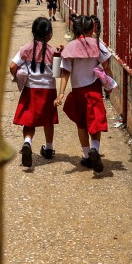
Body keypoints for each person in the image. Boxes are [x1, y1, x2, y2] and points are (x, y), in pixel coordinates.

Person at [56, 15, 112, 172]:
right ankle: (95, 148)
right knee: (95, 124)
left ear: (74, 28)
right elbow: (106, 67)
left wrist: (60, 93)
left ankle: (87, 156)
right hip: (93, 89)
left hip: (78, 92)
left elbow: (65, 72)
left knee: (81, 124)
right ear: (91, 29)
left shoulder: (70, 47)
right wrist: (109, 85)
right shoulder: (97, 45)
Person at [10, 17, 61, 167]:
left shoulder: (26, 48)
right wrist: (59, 55)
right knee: (48, 121)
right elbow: (57, 73)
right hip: (48, 90)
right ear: (50, 34)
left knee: (29, 120)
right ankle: (49, 149)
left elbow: (12, 66)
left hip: (30, 90)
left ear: (33, 32)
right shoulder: (53, 52)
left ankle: (27, 143)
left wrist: (17, 77)